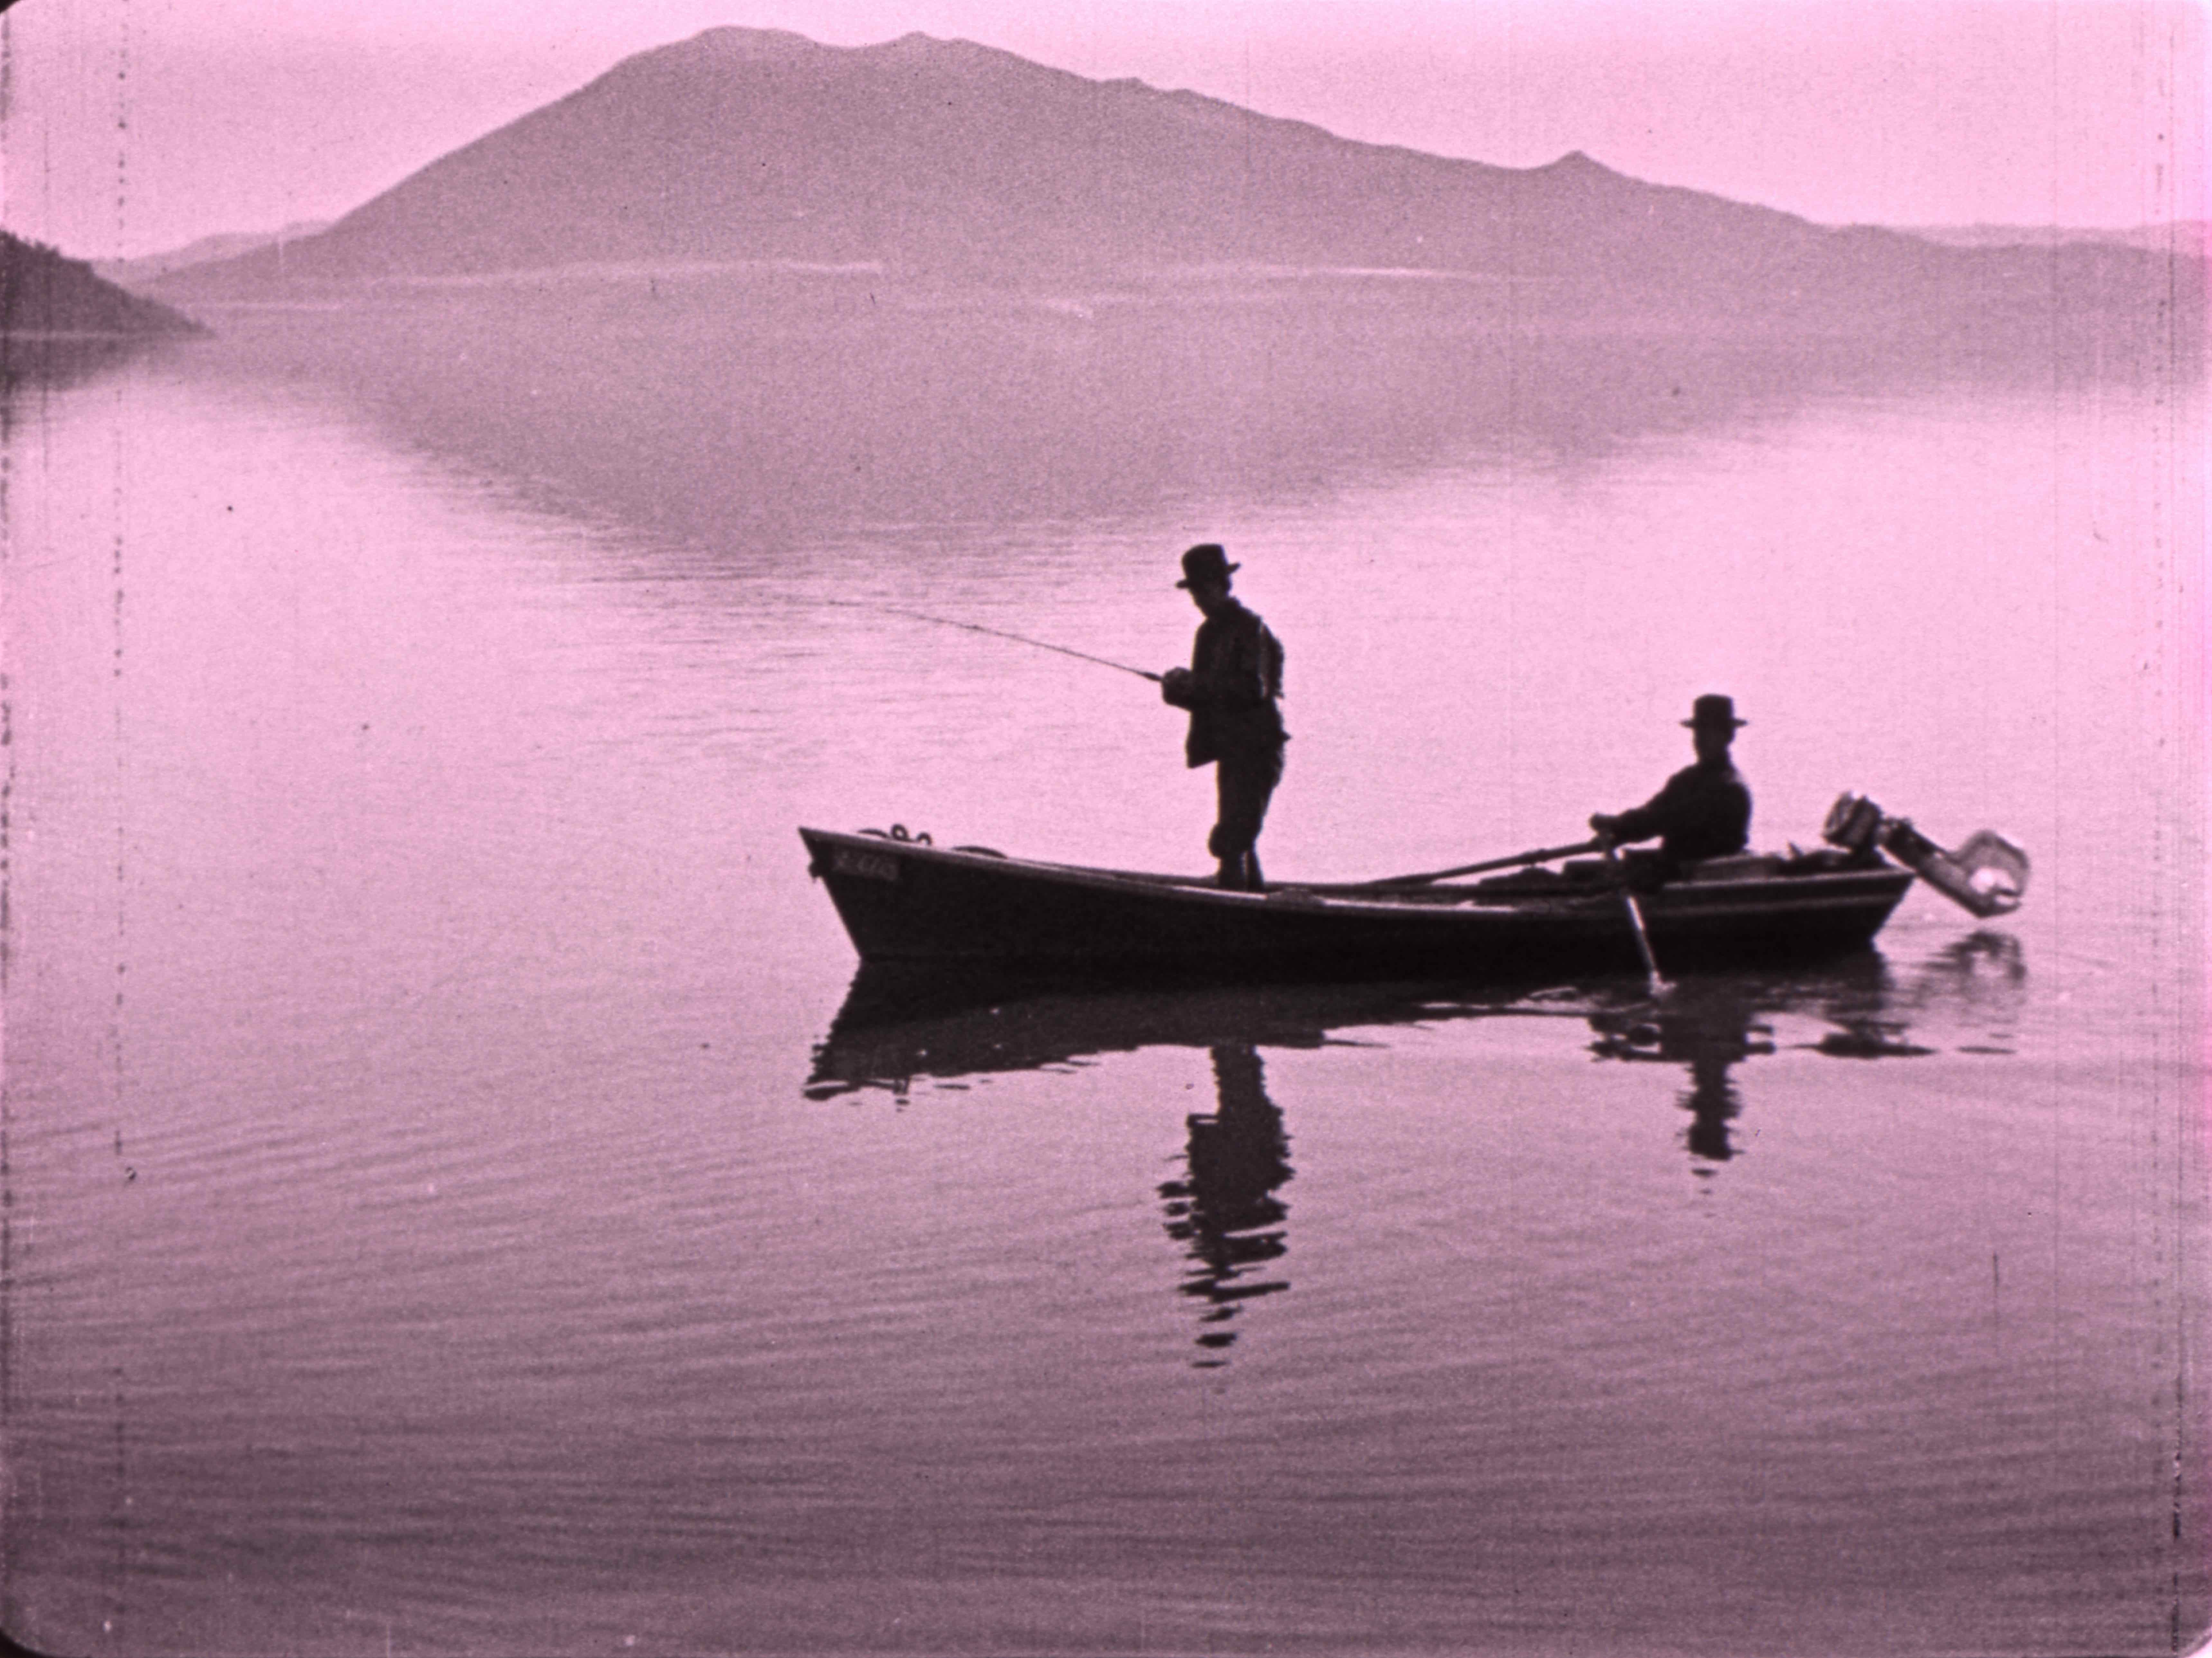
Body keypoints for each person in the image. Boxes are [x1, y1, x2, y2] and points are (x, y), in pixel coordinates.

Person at [1160, 544, 1287, 891]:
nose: (1198, 599)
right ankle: (1252, 901)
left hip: (1259, 750)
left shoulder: (1251, 628)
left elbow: (1253, 690)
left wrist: (1195, 683)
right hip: (1232, 751)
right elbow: (1210, 699)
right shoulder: (1208, 633)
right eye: (1194, 592)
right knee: (1241, 838)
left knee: (1232, 838)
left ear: (1222, 585)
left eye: (1203, 590)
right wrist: (1178, 691)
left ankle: (1236, 903)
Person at [1589, 694, 1753, 884]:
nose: (1700, 740)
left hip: (1695, 881)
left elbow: (1661, 820)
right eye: (1698, 733)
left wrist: (1615, 824)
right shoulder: (1686, 780)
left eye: (1709, 733)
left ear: (1728, 737)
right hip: (1676, 874)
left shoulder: (1728, 788)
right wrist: (1618, 835)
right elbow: (1652, 813)